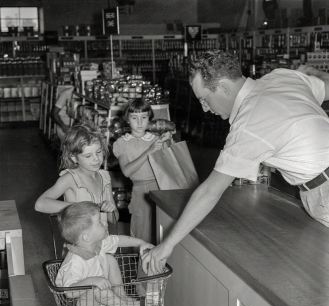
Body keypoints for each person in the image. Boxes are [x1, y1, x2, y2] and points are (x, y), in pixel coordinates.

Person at [141, 50, 329, 275]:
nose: (204, 108)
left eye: (204, 98)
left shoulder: (248, 123)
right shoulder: (282, 77)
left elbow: (210, 191)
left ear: (223, 87)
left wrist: (166, 245)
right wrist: (313, 74)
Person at [55, 201, 154, 306]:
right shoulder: (75, 261)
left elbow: (119, 240)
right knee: (97, 290)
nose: (104, 223)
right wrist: (92, 280)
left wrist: (140, 242)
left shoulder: (96, 244)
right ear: (87, 236)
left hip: (99, 299)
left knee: (109, 259)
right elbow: (69, 292)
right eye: (100, 223)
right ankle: (123, 305)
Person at [35, 122, 119, 229]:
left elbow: (114, 219)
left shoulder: (105, 177)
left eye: (98, 151)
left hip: (102, 240)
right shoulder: (70, 178)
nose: (96, 159)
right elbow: (40, 204)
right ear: (74, 158)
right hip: (79, 242)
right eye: (88, 156)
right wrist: (81, 207)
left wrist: (110, 209)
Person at [113, 98, 173, 244]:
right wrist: (149, 151)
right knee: (142, 235)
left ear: (149, 119)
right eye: (134, 118)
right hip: (140, 192)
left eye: (144, 117)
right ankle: (141, 265)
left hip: (161, 188)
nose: (139, 123)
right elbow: (127, 171)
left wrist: (169, 141)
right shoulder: (122, 143)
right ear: (127, 119)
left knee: (163, 232)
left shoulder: (156, 139)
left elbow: (171, 164)